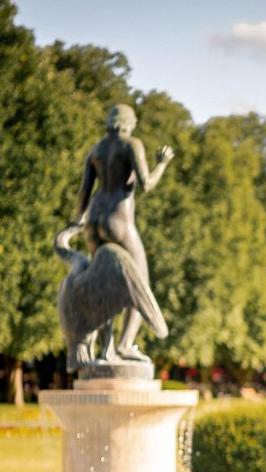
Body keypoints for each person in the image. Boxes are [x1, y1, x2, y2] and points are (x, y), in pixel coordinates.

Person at [72, 103, 173, 363]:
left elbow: (84, 193)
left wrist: (76, 224)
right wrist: (162, 163)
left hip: (94, 221)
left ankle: (106, 347)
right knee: (139, 283)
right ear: (129, 123)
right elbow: (147, 184)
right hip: (118, 221)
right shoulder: (131, 144)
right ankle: (125, 344)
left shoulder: (96, 149)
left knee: (106, 284)